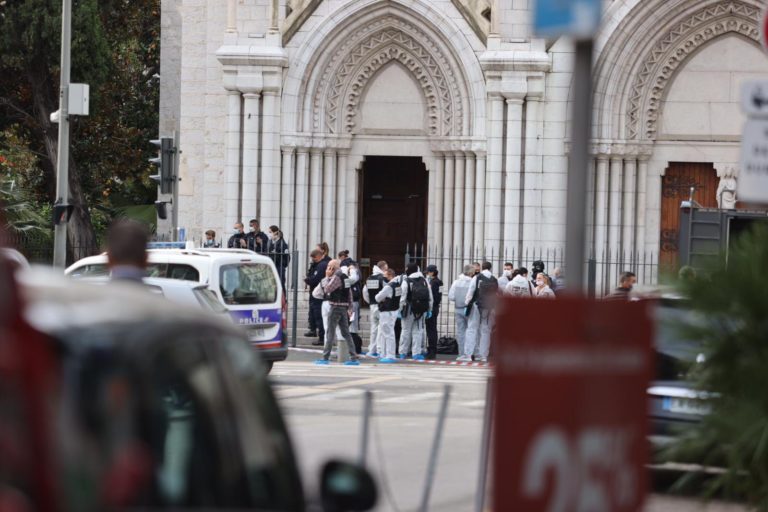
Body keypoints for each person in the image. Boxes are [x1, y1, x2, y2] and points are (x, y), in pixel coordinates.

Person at [313, 259, 359, 365]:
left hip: (335, 307)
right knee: (346, 333)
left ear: (334, 268)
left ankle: (325, 357)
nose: (328, 268)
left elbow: (327, 289)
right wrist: (350, 308)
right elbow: (350, 295)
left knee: (330, 332)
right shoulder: (346, 278)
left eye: (330, 266)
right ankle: (353, 357)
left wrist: (327, 277)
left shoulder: (336, 277)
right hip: (344, 308)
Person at [459, 261, 497, 363]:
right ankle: (483, 355)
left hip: (476, 305)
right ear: (490, 268)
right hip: (488, 307)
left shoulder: (477, 277)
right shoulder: (494, 279)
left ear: (481, 268)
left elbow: (471, 291)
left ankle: (468, 354)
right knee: (485, 330)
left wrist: (467, 303)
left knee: (472, 329)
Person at [399, 262, 433, 360]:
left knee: (405, 331)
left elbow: (402, 297)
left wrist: (400, 309)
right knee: (418, 331)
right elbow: (430, 297)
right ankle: (416, 353)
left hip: (408, 309)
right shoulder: (424, 280)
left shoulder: (406, 281)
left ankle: (403, 352)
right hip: (420, 310)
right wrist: (429, 309)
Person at [363, 260, 388, 357]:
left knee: (373, 328)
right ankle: (380, 350)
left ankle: (371, 349)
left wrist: (370, 302)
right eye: (386, 267)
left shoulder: (369, 278)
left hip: (372, 305)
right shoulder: (382, 278)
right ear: (383, 267)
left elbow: (365, 292)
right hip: (381, 305)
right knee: (381, 328)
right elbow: (387, 292)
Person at [374, 268, 400, 363]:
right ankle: (385, 354)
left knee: (387, 334)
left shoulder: (388, 286)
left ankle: (389, 355)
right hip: (393, 311)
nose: (383, 278)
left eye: (384, 276)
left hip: (386, 311)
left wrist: (383, 299)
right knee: (388, 333)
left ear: (390, 275)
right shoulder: (398, 285)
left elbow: (377, 298)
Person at [304, 249, 329, 345]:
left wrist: (308, 280)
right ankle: (317, 333)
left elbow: (315, 279)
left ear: (318, 256)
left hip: (318, 296)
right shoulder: (319, 265)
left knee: (319, 317)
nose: (313, 260)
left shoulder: (321, 265)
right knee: (317, 316)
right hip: (318, 294)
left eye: (314, 258)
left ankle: (322, 338)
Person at [448, 264, 474, 356]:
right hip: (470, 309)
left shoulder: (456, 282)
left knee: (461, 332)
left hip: (458, 308)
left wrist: (458, 299)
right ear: (471, 272)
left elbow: (451, 296)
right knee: (471, 331)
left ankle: (461, 353)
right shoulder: (472, 282)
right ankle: (469, 353)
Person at [424, 264, 442, 360]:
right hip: (435, 307)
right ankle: (432, 350)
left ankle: (432, 351)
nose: (427, 274)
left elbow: (434, 297)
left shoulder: (434, 283)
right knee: (432, 329)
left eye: (428, 272)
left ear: (432, 272)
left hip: (432, 308)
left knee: (431, 330)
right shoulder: (439, 282)